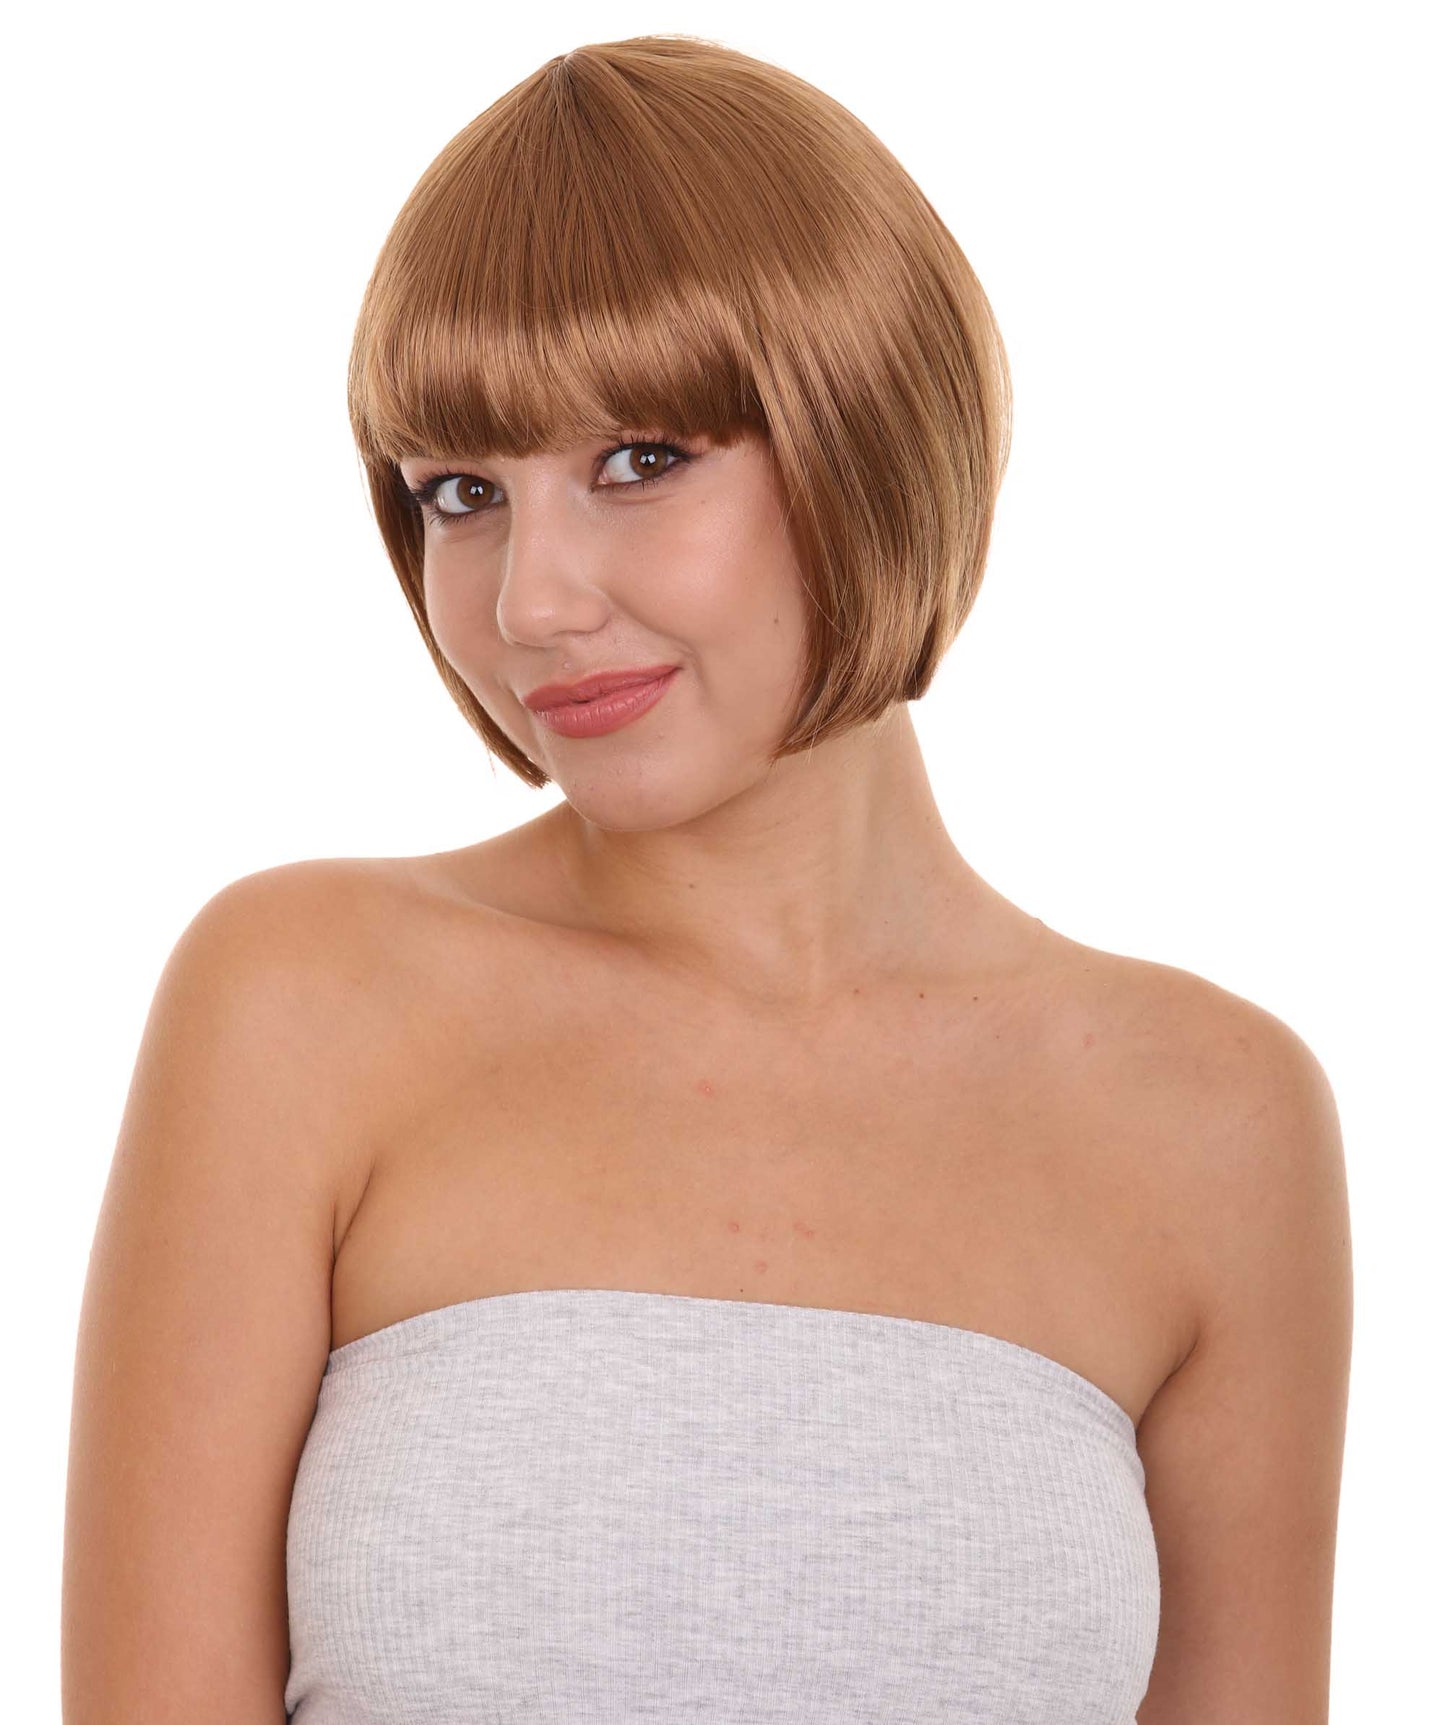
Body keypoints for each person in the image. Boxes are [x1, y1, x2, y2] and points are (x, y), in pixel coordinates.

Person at [61, 33, 1353, 1725]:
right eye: (462, 491)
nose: (527, 600)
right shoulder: (305, 999)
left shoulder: (1210, 1118)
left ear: (870, 431)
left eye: (640, 460)